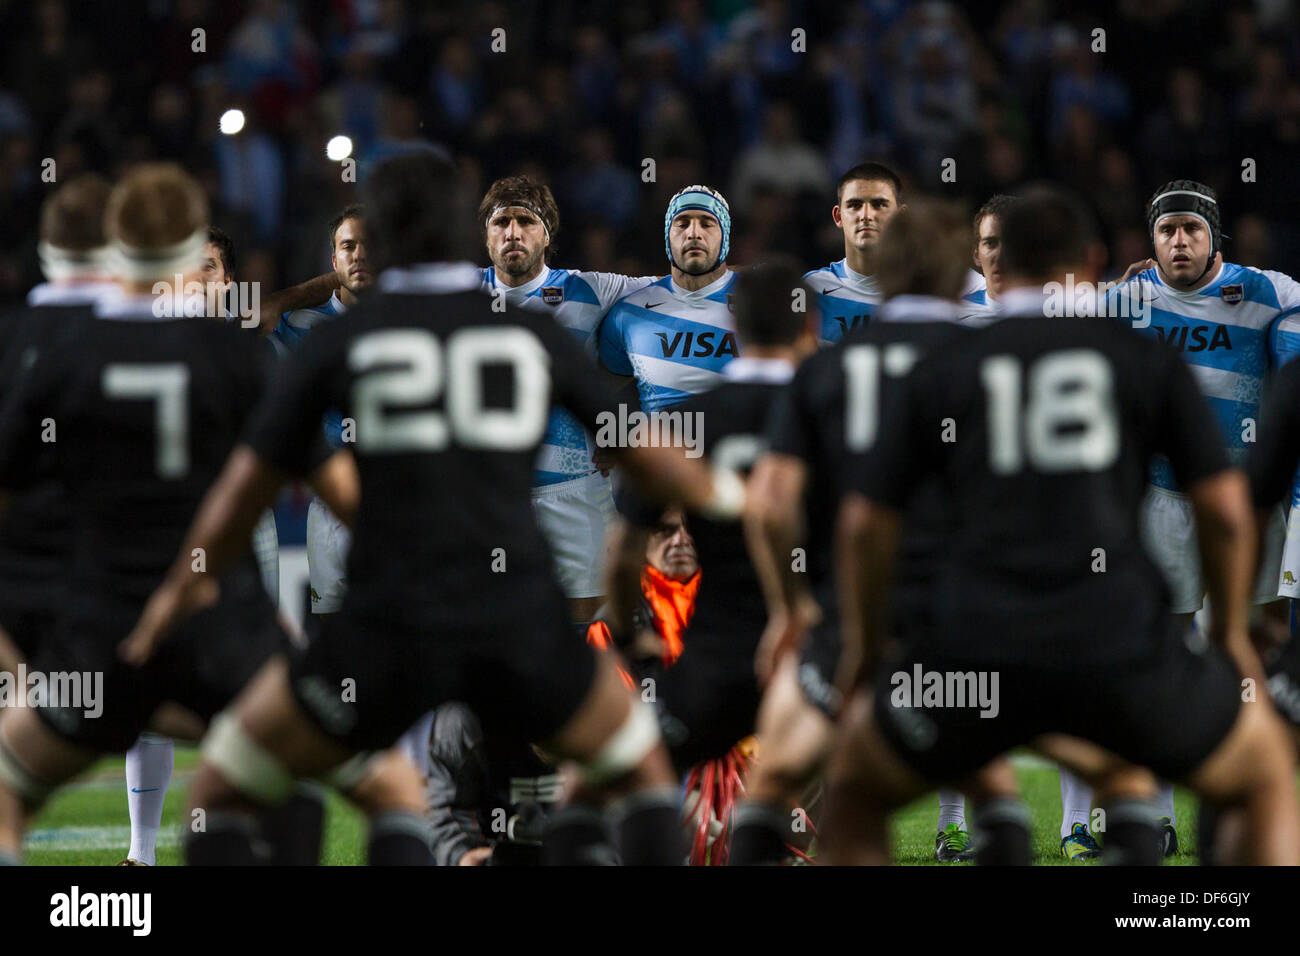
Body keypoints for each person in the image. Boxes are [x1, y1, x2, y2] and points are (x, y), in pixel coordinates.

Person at [120, 151, 746, 866]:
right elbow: (637, 447)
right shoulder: (529, 334)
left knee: (234, 785)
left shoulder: (343, 339)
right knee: (637, 770)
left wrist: (178, 588)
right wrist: (727, 495)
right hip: (516, 618)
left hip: (387, 620)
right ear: (462, 231)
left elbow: (246, 486)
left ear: (382, 236)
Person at [822, 185, 1300, 866]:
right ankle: (1161, 861)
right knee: (1262, 774)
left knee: (852, 787)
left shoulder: (941, 363)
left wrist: (867, 649)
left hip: (974, 646)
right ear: (1095, 260)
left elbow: (866, 524)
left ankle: (1015, 830)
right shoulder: (1136, 355)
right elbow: (1226, 512)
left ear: (992, 264)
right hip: (1111, 637)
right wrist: (1227, 633)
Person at [0, 163, 299, 865]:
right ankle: (170, 846)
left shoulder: (76, 350)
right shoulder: (234, 354)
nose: (207, 280)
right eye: (196, 266)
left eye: (216, 270)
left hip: (140, 580)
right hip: (196, 567)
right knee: (284, 739)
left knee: (30, 770)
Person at [735, 202, 1008, 866]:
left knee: (773, 787)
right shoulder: (995, 366)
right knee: (997, 790)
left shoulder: (825, 368)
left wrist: (790, 606)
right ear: (961, 273)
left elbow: (769, 507)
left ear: (879, 273)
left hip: (848, 623)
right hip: (963, 624)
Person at [479, 175, 657, 624]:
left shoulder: (592, 289)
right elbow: (357, 276)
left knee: (593, 633)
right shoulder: (455, 293)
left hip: (576, 491)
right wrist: (287, 299)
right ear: (486, 234)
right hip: (490, 499)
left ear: (548, 233)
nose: (512, 233)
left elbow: (686, 287)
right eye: (501, 222)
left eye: (525, 221)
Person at [598, 185, 740, 413]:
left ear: (725, 237)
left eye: (707, 223)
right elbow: (604, 400)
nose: (694, 233)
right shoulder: (627, 315)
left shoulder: (760, 301)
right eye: (682, 224)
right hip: (663, 447)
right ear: (668, 237)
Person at [802, 162, 906, 345]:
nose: (866, 215)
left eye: (879, 204)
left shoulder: (923, 292)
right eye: (855, 205)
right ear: (838, 216)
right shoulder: (810, 290)